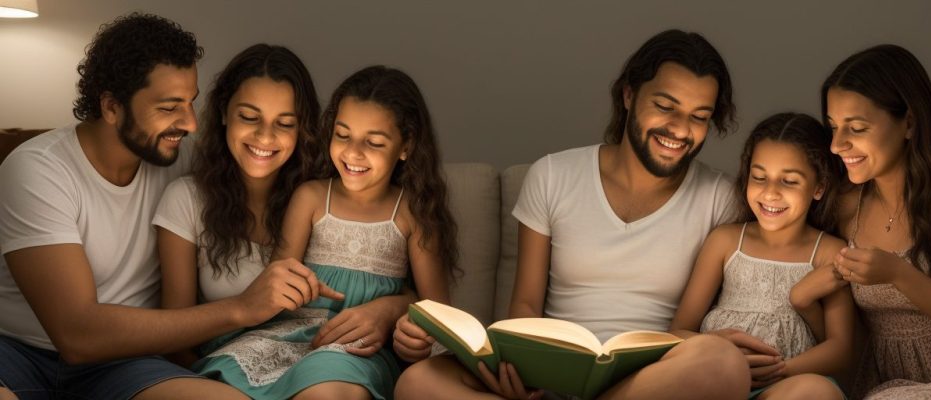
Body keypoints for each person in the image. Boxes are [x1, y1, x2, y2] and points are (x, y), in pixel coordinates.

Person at [394, 29, 751, 400]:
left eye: (699, 117)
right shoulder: (553, 175)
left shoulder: (720, 198)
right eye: (665, 107)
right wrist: (518, 371)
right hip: (554, 373)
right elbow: (526, 304)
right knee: (418, 382)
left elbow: (699, 324)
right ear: (629, 95)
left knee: (723, 362)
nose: (680, 129)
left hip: (653, 379)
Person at [0, 13, 257, 400]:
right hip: (18, 354)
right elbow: (76, 334)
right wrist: (240, 309)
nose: (190, 124)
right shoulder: (37, 169)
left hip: (125, 362)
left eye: (190, 103)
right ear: (111, 107)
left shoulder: (182, 162)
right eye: (169, 107)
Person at [183, 65, 457, 400]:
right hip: (292, 333)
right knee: (223, 381)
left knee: (325, 389)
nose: (353, 153)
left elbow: (437, 310)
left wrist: (408, 331)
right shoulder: (311, 197)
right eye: (342, 135)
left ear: (406, 146)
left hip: (356, 349)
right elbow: (277, 280)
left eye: (373, 142)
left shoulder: (413, 212)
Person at [816, 44, 931, 398]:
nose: (837, 145)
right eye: (833, 127)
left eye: (856, 128)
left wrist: (900, 275)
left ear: (910, 123)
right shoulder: (846, 206)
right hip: (887, 387)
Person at [671, 112, 852, 399]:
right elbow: (678, 331)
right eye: (759, 177)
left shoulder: (829, 252)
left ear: (819, 187)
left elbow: (841, 349)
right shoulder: (725, 241)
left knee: (815, 391)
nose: (770, 193)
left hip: (787, 385)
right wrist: (717, 350)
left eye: (789, 181)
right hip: (717, 380)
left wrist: (778, 371)